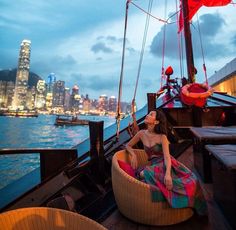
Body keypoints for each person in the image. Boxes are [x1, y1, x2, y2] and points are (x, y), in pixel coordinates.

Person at [126, 110, 207, 215]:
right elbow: (128, 145)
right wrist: (133, 155)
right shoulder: (141, 134)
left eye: (151, 114)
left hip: (165, 163)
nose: (147, 115)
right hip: (154, 165)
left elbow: (167, 157)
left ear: (156, 122)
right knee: (143, 173)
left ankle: (187, 203)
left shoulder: (162, 137)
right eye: (149, 113)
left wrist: (168, 174)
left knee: (192, 181)